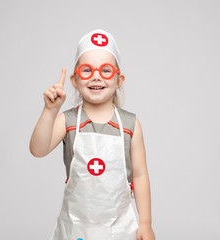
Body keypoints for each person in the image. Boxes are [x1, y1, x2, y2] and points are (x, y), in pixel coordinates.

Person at [30, 29, 155, 240]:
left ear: (119, 79)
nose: (96, 76)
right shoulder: (67, 121)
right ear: (74, 80)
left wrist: (145, 222)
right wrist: (50, 111)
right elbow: (38, 150)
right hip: (76, 227)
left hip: (119, 228)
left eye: (105, 70)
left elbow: (140, 175)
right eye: (87, 70)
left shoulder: (130, 124)